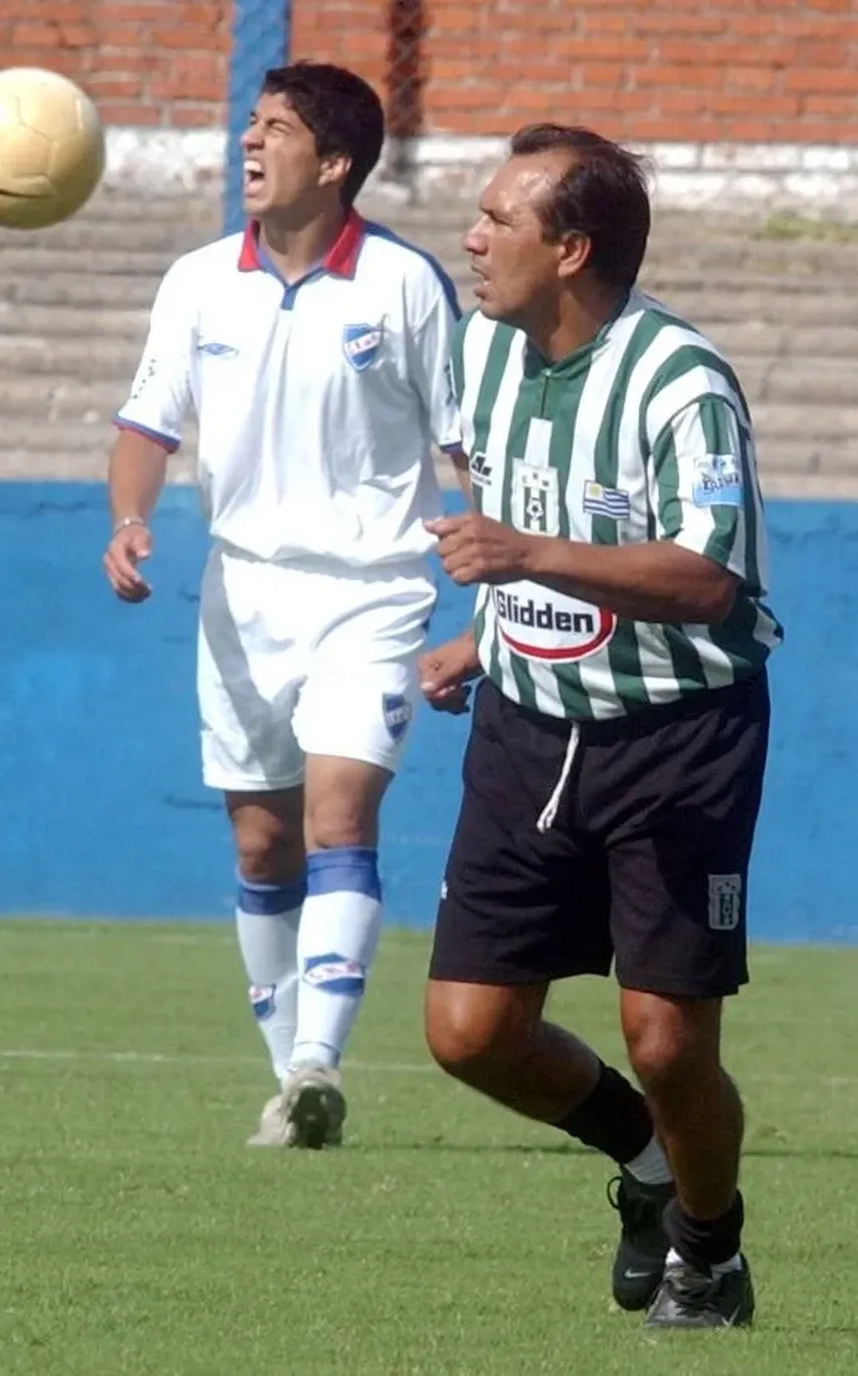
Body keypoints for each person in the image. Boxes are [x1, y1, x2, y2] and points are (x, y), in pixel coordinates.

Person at [417, 123, 781, 1329]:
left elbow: (707, 579)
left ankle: (711, 1249)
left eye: (497, 222)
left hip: (677, 738)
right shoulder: (482, 348)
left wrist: (525, 555)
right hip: (528, 722)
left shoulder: (679, 380)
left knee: (668, 1039)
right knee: (468, 1031)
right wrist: (491, 622)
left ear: (570, 248)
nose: (470, 240)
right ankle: (644, 1161)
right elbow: (492, 485)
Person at [102, 62, 463, 1149]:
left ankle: (321, 1055)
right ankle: (289, 1087)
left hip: (374, 593)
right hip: (241, 595)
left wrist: (489, 598)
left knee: (339, 816)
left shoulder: (404, 285)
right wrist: (128, 518)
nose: (250, 146)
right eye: (248, 128)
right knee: (263, 845)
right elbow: (147, 425)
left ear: (337, 162)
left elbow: (463, 447)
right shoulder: (199, 279)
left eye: (276, 131)